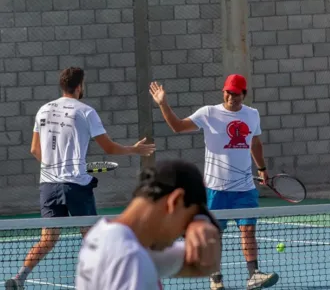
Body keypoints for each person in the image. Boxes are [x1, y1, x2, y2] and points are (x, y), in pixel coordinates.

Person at [5, 67, 156, 290]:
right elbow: (109, 148)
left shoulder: (43, 110)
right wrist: (134, 150)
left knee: (48, 238)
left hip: (48, 186)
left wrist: (55, 167)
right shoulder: (86, 112)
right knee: (92, 236)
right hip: (75, 186)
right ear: (79, 87)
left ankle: (18, 278)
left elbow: (35, 150)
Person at [149, 74, 279, 290]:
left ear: (244, 95)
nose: (231, 97)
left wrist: (262, 168)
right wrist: (163, 104)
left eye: (236, 94)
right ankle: (216, 277)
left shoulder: (252, 115)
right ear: (223, 92)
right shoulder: (208, 113)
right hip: (215, 190)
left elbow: (255, 142)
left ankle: (253, 274)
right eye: (228, 92)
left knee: (248, 230)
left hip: (244, 189)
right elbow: (178, 127)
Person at [75, 159, 222, 290]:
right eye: (187, 223)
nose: (182, 234)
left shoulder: (103, 235)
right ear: (175, 201)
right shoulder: (129, 257)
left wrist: (201, 220)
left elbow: (204, 264)